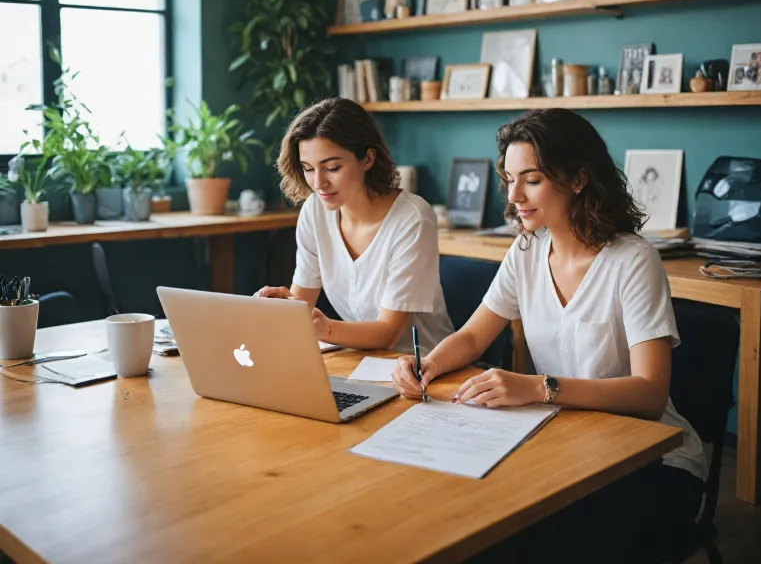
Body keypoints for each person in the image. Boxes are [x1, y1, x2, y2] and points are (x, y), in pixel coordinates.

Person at [392, 108, 706, 564]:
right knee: (465, 517)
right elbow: (473, 336)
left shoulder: (632, 261)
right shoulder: (527, 249)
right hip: (566, 443)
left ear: (578, 179)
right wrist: (430, 364)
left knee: (529, 542)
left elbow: (650, 395)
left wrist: (538, 387)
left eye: (532, 179)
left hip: (654, 459)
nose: (514, 195)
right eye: (509, 178)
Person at [256, 97, 454, 354]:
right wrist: (286, 309)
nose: (318, 183)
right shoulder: (314, 212)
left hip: (423, 366)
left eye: (332, 167)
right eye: (308, 168)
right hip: (359, 359)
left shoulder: (412, 218)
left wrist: (323, 327)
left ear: (368, 158)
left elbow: (389, 334)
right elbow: (300, 311)